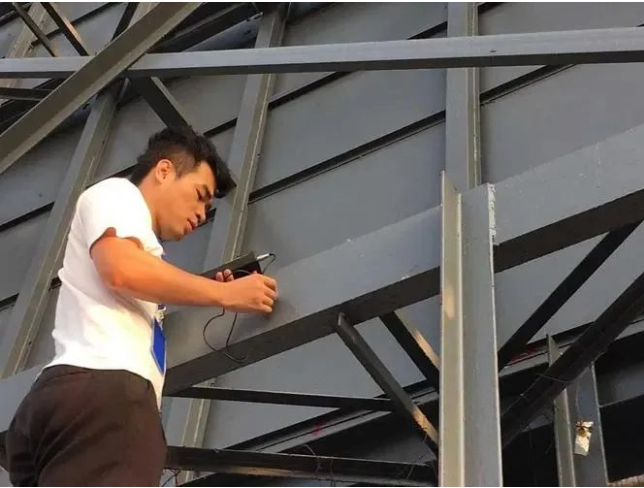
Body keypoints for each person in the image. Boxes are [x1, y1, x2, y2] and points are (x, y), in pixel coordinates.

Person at [5, 126, 278, 486]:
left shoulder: (138, 249)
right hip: (106, 396)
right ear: (163, 170)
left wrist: (210, 291)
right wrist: (225, 295)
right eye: (200, 195)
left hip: (64, 405)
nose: (201, 214)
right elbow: (120, 269)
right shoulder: (118, 194)